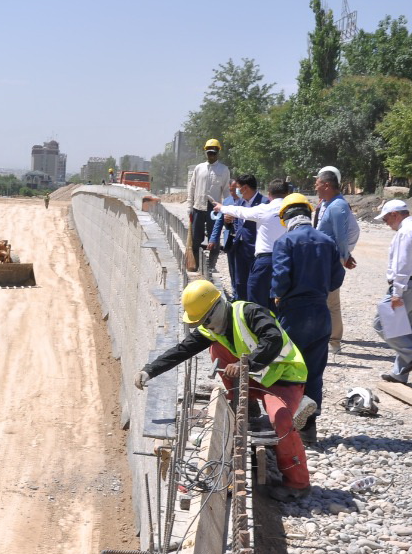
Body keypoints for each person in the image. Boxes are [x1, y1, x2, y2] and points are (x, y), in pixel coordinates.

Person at [135, 279, 316, 500]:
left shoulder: (250, 313)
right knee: (217, 349)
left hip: (285, 377)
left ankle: (298, 484)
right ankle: (246, 405)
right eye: (201, 322)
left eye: (207, 320)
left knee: (281, 421)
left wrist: (244, 364)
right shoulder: (213, 328)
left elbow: (273, 339)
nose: (207, 326)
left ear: (218, 306)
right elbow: (182, 350)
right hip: (255, 375)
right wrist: (150, 371)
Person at [271, 193, 345, 447]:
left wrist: (277, 297)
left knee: (288, 369)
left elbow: (280, 280)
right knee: (314, 372)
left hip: (294, 313)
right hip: (321, 313)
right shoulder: (327, 242)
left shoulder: (286, 242)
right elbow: (336, 280)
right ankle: (309, 431)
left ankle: (286, 429)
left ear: (286, 218)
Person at [373, 200, 412, 383]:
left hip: (407, 286)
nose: (387, 223)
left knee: (381, 323)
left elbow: (402, 264)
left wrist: (397, 293)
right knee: (408, 329)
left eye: (386, 219)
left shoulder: (405, 232)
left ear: (394, 214)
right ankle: (400, 373)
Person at [214, 178, 288, 306]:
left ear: (269, 194)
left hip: (264, 259)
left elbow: (241, 212)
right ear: (287, 194)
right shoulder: (293, 210)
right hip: (285, 259)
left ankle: (256, 321)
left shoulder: (264, 208)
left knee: (256, 295)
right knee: (279, 296)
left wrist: (222, 208)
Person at [312, 168, 360, 353]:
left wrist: (345, 257)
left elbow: (341, 236)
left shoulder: (338, 206)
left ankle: (334, 342)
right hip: (323, 260)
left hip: (329, 261)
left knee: (332, 302)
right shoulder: (329, 203)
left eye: (317, 184)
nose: (315, 187)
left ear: (326, 185)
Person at [186, 139, 230, 273]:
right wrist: (189, 205)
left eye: (214, 153)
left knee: (214, 238)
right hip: (198, 207)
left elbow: (226, 191)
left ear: (218, 153)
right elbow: (192, 187)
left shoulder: (223, 170)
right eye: (209, 153)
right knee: (196, 239)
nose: (211, 156)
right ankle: (196, 265)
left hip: (214, 210)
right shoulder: (199, 168)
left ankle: (211, 265)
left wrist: (227, 209)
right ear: (206, 152)